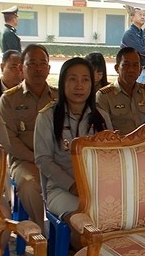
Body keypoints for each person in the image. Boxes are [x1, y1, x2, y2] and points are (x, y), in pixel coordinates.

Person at [34, 58, 107, 224]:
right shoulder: (47, 117)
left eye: (85, 80)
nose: (79, 86)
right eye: (73, 79)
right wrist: (73, 185)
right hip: (62, 189)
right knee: (84, 221)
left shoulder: (102, 117)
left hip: (96, 188)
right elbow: (43, 160)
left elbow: (110, 155)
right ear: (62, 83)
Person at [0, 44, 57, 226]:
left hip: (57, 159)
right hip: (25, 161)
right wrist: (37, 159)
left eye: (42, 63)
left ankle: (69, 231)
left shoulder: (59, 97)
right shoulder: (9, 99)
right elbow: (9, 140)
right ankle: (40, 231)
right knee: (30, 184)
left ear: (48, 68)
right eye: (32, 63)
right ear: (21, 68)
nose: (38, 68)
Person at [94, 47, 145, 135]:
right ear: (117, 68)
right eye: (126, 65)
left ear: (140, 70)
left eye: (135, 65)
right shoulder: (104, 96)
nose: (131, 70)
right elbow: (103, 133)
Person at [120, 7, 145, 84]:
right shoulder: (129, 34)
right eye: (140, 15)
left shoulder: (143, 33)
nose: (143, 17)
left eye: (144, 15)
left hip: (143, 70)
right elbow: (140, 52)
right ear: (132, 17)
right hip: (131, 71)